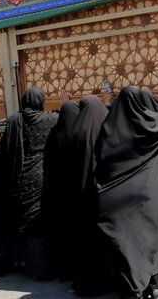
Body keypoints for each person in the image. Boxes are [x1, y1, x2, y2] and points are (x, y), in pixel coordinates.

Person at [93, 87, 158, 299]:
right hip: (151, 199)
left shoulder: (109, 128)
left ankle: (132, 287)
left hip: (115, 200)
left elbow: (100, 161)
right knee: (153, 240)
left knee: (127, 242)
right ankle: (157, 286)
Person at [1, 87, 58, 275]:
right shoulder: (49, 120)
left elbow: (5, 150)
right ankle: (41, 266)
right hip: (41, 174)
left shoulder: (14, 120)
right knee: (38, 221)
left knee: (20, 219)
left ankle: (20, 261)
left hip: (19, 176)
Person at [66, 95, 109, 296]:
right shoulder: (108, 127)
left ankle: (84, 284)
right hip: (104, 195)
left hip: (80, 196)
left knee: (84, 241)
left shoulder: (75, 130)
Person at [41, 97, 80, 279]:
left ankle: (62, 270)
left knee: (60, 234)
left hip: (57, 194)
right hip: (77, 193)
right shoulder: (81, 135)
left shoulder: (54, 135)